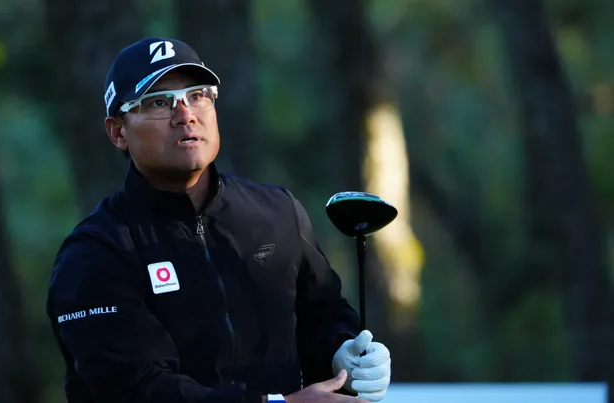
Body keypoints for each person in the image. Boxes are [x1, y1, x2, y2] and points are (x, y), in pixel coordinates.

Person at [46, 37, 392, 403]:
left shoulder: (277, 212)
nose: (185, 115)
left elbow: (323, 314)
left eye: (197, 95)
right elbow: (136, 388)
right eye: (159, 102)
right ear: (118, 132)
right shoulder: (94, 253)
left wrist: (343, 354)